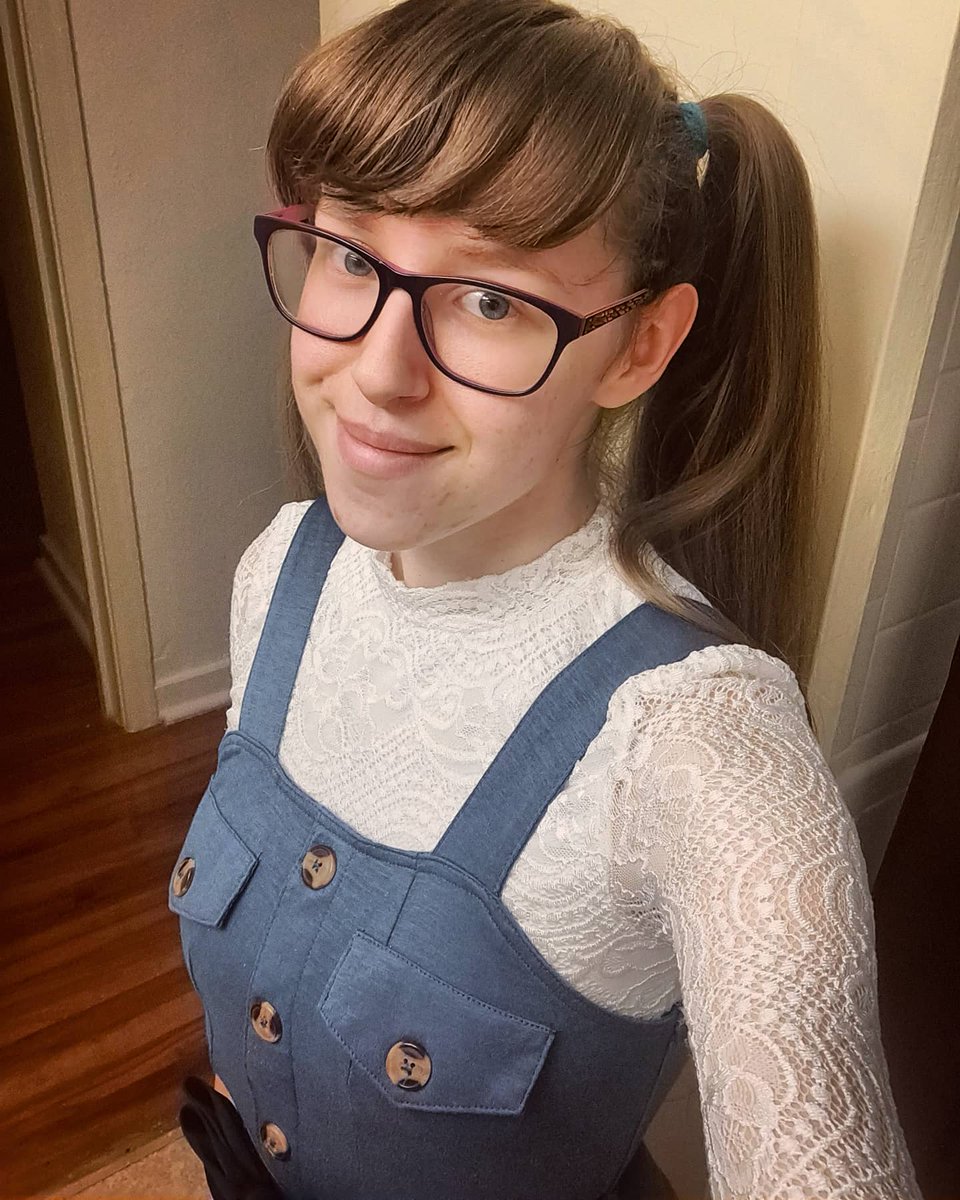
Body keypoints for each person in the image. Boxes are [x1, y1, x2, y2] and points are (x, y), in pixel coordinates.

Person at [169, 1, 923, 1197]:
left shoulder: (696, 747)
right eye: (352, 255)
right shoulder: (281, 569)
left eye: (490, 300)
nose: (376, 372)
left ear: (638, 347)